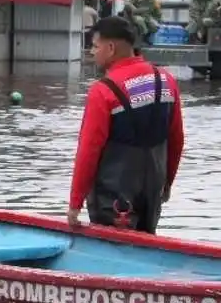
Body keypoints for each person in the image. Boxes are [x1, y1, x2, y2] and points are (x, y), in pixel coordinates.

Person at [68, 17, 185, 234]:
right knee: (146, 249)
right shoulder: (166, 81)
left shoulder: (103, 91)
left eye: (95, 46)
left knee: (111, 252)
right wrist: (167, 182)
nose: (92, 52)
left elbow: (88, 151)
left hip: (113, 196)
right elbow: (176, 139)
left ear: (110, 48)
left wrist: (75, 203)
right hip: (153, 191)